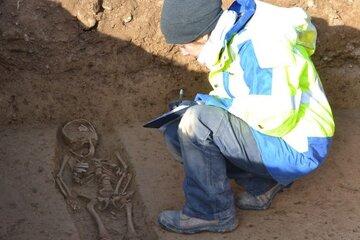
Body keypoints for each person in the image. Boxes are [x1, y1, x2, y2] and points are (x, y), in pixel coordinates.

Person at [157, 0, 335, 234]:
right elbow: (244, 94)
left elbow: (276, 113)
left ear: (202, 36)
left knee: (197, 123)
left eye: (182, 46)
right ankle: (262, 184)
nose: (181, 52)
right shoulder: (231, 34)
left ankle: (211, 213)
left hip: (301, 145)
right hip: (281, 135)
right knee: (177, 130)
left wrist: (214, 105)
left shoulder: (260, 46)